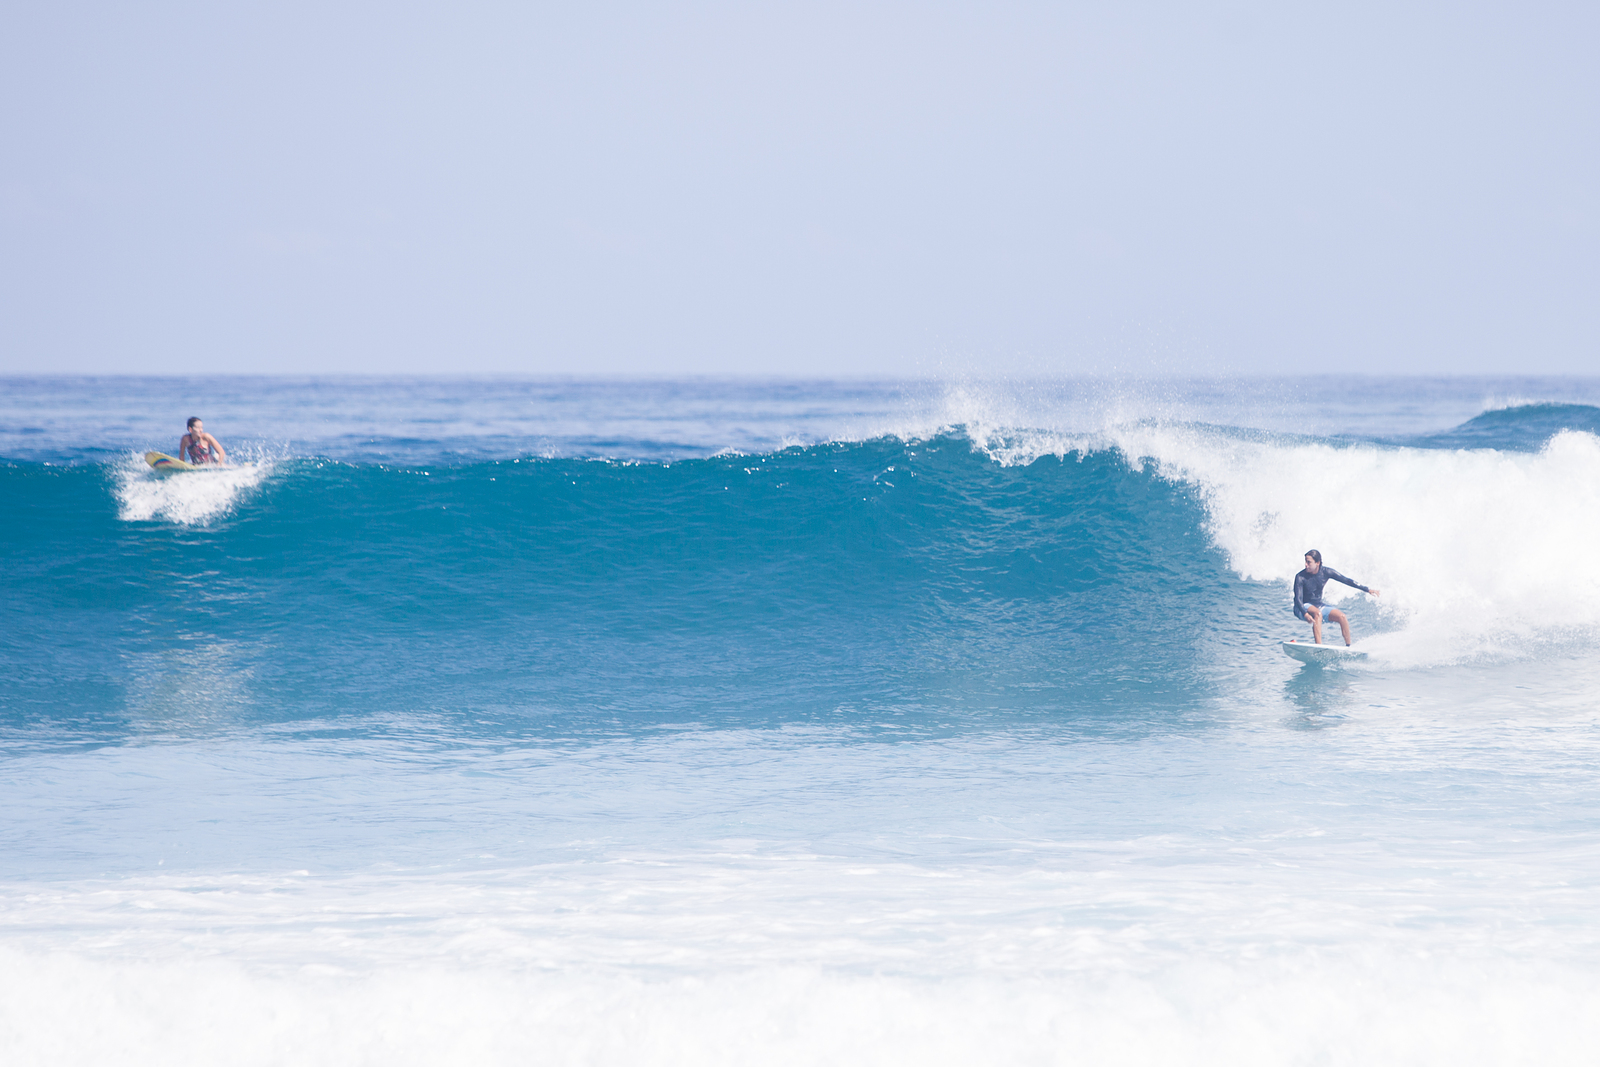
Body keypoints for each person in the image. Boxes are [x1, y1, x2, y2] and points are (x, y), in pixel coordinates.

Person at [1293, 549, 1380, 646]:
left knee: (1342, 616)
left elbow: (1346, 580)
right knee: (1317, 613)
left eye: (1309, 562)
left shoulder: (1326, 572)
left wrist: (1367, 589)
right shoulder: (1300, 577)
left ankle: (1348, 646)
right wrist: (1305, 614)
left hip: (1318, 606)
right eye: (1305, 561)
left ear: (1317, 563)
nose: (1306, 564)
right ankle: (1319, 646)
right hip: (1301, 607)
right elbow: (1298, 599)